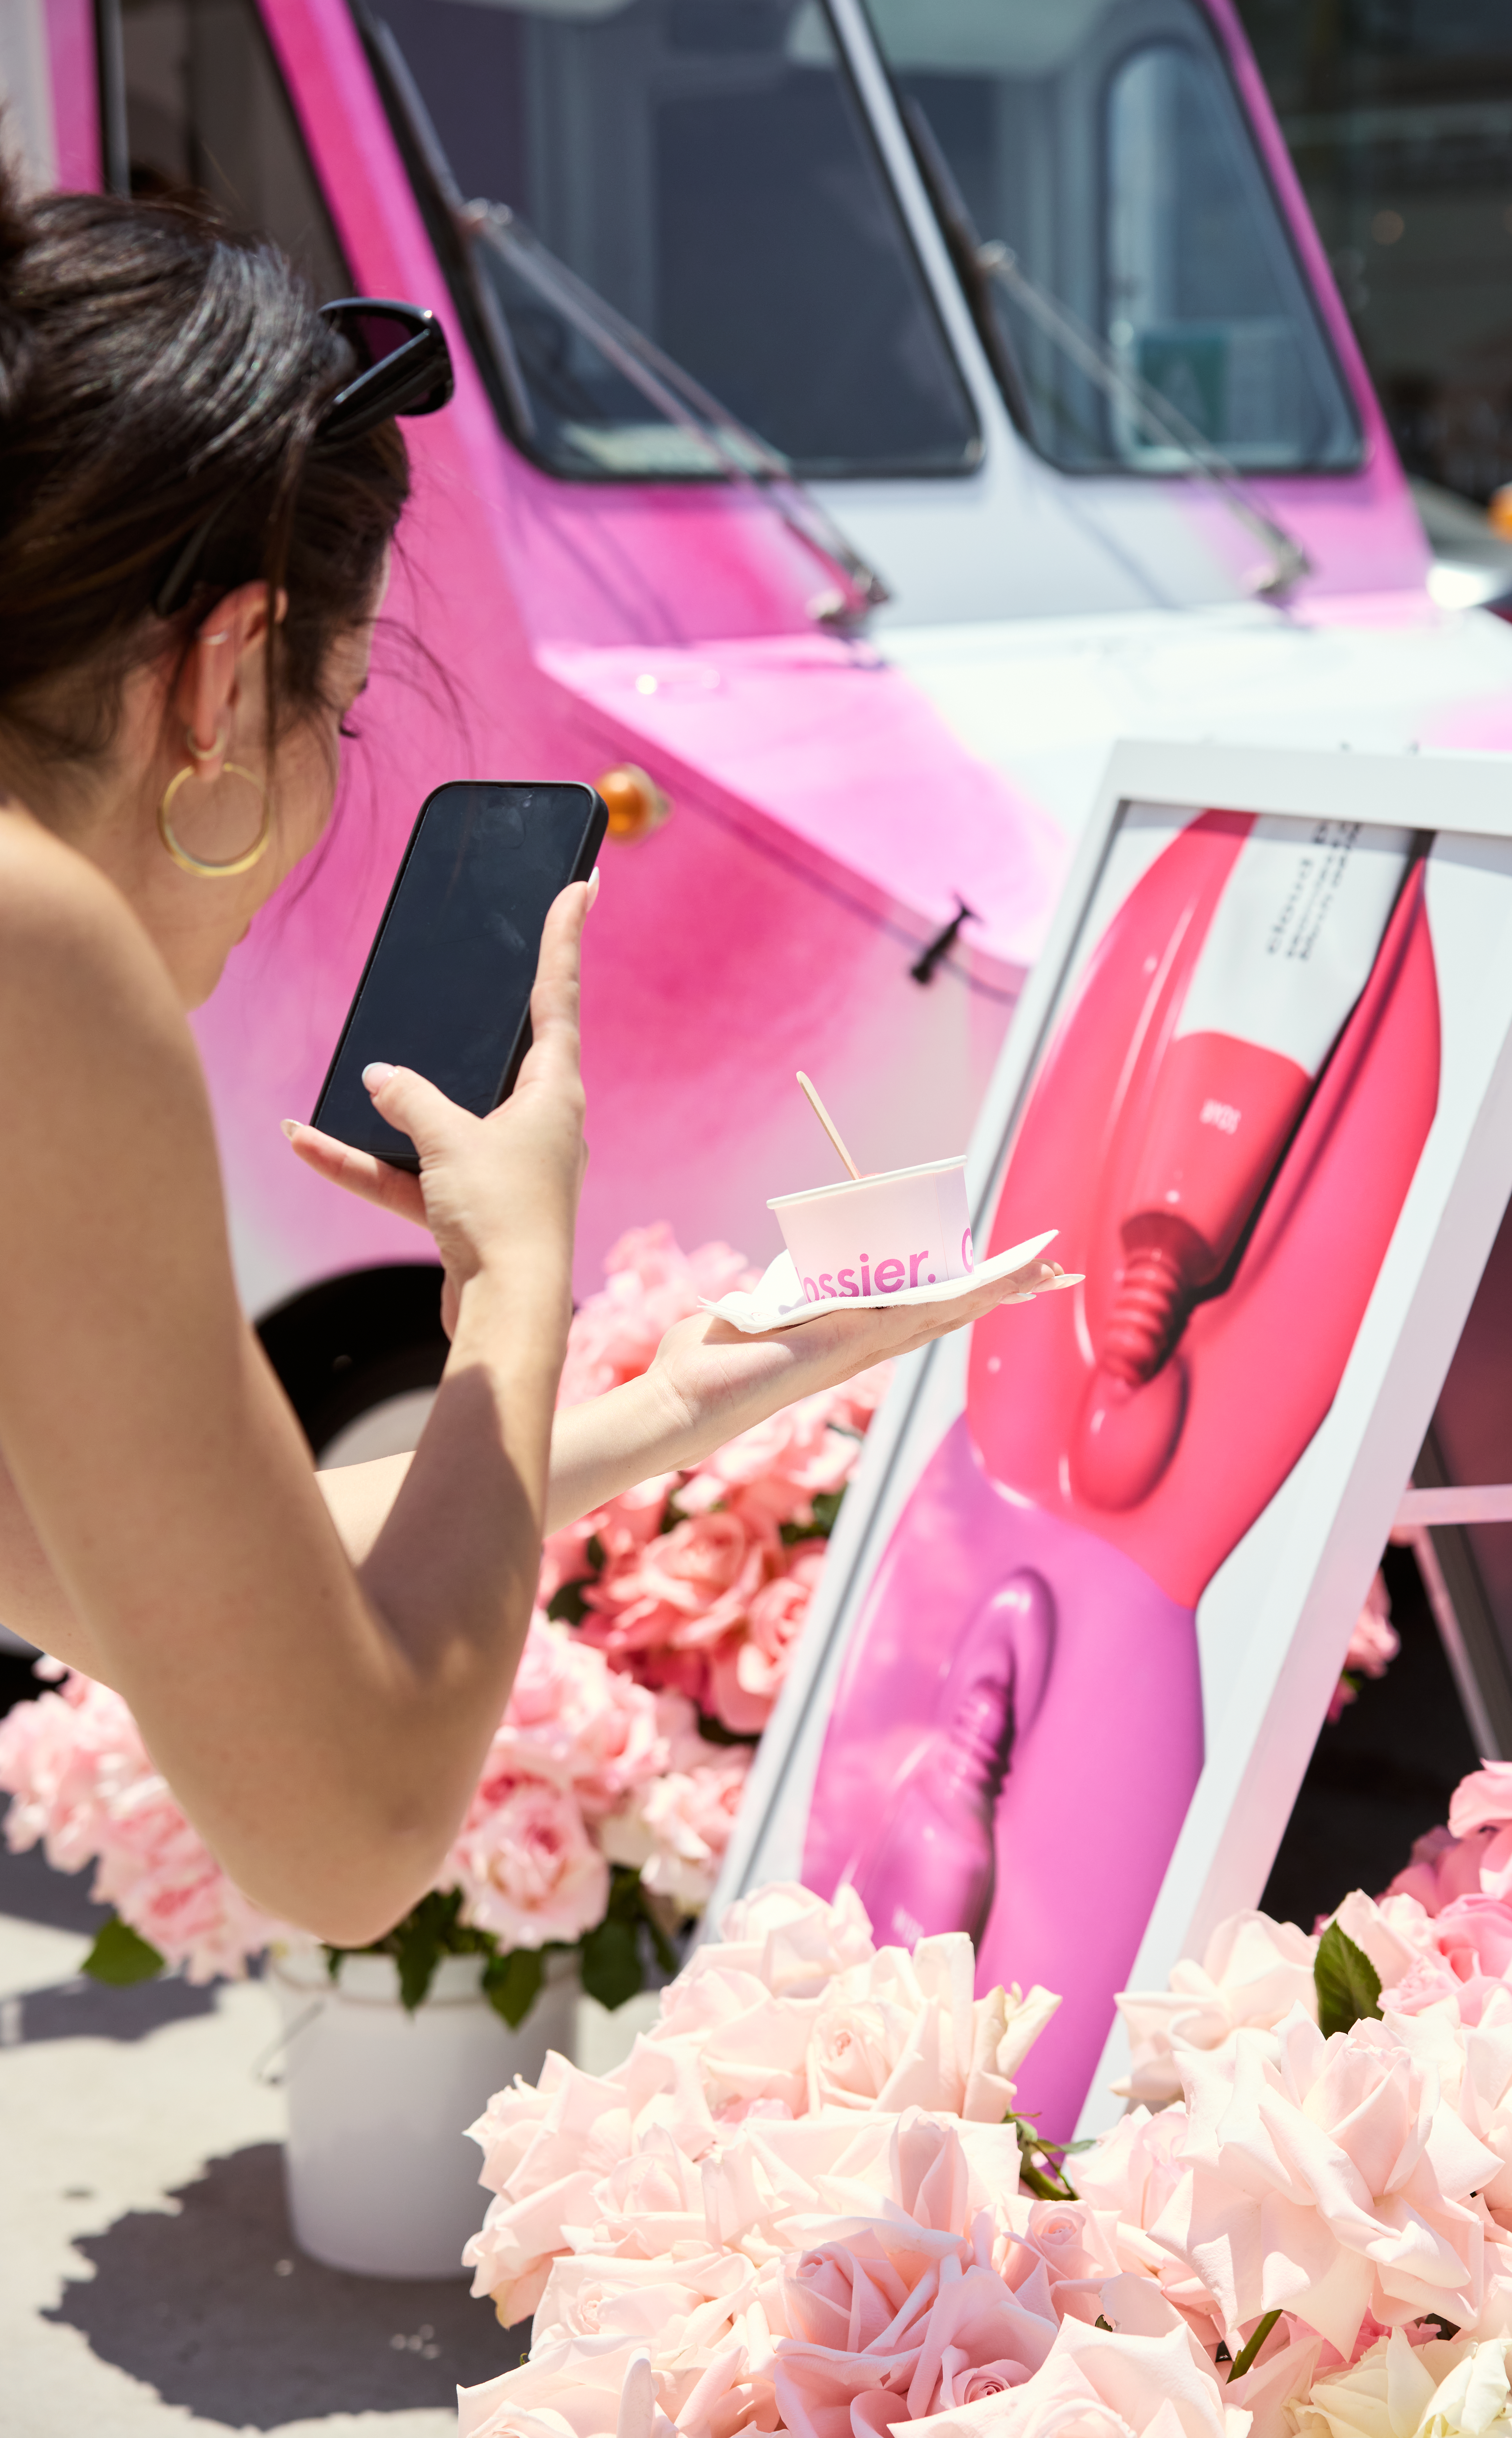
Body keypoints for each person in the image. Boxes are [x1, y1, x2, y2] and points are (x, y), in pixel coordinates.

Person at [0, 178, 1062, 1948]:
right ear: (223, 671)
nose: (325, 784)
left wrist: (691, 1391)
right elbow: (346, 1833)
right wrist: (510, 1276)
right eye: (334, 711)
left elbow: (158, 1582)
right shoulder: (44, 947)